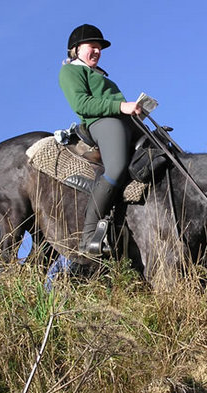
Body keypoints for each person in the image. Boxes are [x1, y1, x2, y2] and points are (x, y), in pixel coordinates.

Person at [59, 24, 143, 257]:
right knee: (116, 169)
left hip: (125, 121)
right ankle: (88, 236)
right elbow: (82, 105)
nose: (97, 51)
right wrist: (120, 106)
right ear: (75, 49)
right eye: (92, 47)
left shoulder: (99, 74)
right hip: (102, 122)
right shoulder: (71, 72)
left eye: (99, 48)